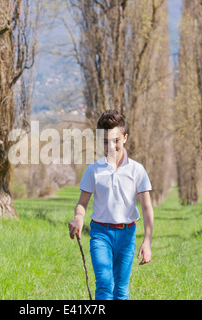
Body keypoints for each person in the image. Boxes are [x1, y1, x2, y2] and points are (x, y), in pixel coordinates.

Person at [68, 110, 154, 300]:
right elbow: (82, 203)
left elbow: (147, 208)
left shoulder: (137, 170)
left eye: (115, 140)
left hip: (127, 234)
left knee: (121, 290)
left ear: (125, 138)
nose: (111, 146)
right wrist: (78, 218)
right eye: (105, 141)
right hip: (100, 234)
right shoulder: (93, 170)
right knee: (105, 286)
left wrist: (147, 240)